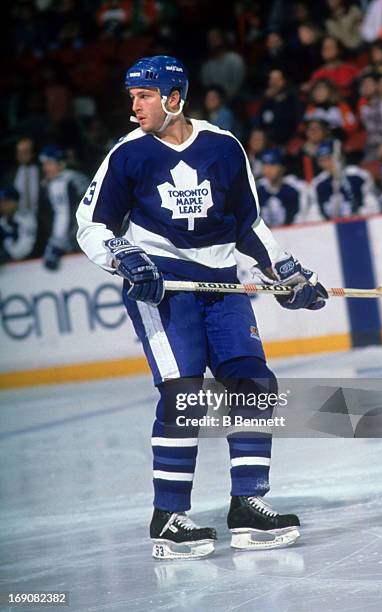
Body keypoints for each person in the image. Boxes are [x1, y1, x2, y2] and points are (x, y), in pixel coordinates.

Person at [76, 55, 328, 560]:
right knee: (185, 395)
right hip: (164, 289)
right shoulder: (127, 154)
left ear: (174, 98)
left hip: (222, 287)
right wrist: (127, 258)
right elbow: (92, 225)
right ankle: (168, 517)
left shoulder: (224, 147)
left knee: (254, 385)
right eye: (132, 96)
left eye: (144, 96)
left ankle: (248, 504)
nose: (134, 105)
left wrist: (288, 273)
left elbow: (248, 226)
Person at [40, 145, 89, 270]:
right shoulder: (73, 177)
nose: (45, 168)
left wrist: (56, 245)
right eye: (44, 164)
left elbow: (64, 216)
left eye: (49, 163)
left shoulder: (63, 182)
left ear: (60, 163)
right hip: (90, 234)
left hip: (81, 238)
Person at [309, 139, 379, 220]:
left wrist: (359, 216)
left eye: (329, 158)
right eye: (322, 160)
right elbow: (314, 213)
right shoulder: (317, 184)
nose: (326, 163)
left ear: (340, 157)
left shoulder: (358, 176)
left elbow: (373, 205)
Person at [256, 148, 308, 226]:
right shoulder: (257, 188)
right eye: (265, 165)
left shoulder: (296, 187)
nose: (268, 169)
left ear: (282, 167)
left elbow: (303, 216)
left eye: (273, 164)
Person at [0, 185, 36, 264]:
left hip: (30, 266)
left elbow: (24, 249)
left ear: (15, 202)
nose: (2, 205)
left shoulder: (26, 218)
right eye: (0, 202)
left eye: (6, 201)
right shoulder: (2, 222)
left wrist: (7, 255)